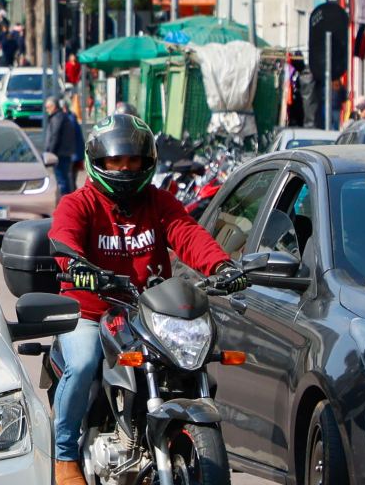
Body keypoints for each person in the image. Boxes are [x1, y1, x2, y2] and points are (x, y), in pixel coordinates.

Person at [47, 114, 249, 485]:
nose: (125, 168)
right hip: (91, 311)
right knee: (84, 362)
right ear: (98, 161)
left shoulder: (159, 202)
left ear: (147, 162)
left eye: (133, 160)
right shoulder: (79, 203)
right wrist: (77, 266)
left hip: (148, 312)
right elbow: (64, 239)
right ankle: (64, 457)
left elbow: (187, 234)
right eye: (115, 161)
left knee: (192, 361)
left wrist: (222, 266)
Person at [44, 97, 82, 197]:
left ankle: (66, 200)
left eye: (48, 107)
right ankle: (69, 199)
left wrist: (50, 153)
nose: (47, 110)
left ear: (54, 107)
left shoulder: (57, 117)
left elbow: (55, 136)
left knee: (62, 180)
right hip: (65, 153)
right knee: (65, 178)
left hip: (60, 154)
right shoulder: (61, 117)